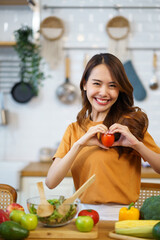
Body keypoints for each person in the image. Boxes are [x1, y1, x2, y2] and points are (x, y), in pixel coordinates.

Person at [45, 53, 160, 220]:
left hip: (124, 217)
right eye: (97, 84)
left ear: (120, 89)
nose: (104, 92)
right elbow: (51, 182)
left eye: (112, 85)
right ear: (85, 84)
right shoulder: (74, 129)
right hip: (83, 216)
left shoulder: (130, 125)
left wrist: (136, 144)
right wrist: (79, 144)